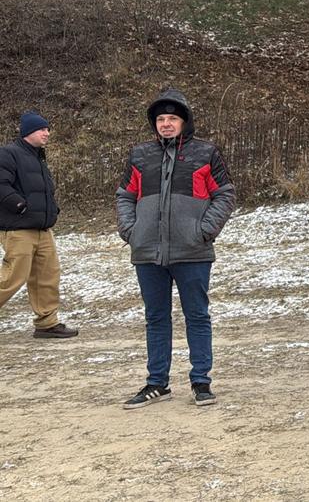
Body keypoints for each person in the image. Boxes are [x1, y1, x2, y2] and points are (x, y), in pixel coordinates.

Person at [116, 89, 236, 409]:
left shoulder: (206, 153)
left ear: (184, 121)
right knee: (155, 318)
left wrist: (204, 231)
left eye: (172, 118)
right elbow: (125, 195)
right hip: (148, 252)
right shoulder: (139, 155)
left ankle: (201, 381)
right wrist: (131, 231)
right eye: (160, 119)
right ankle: (157, 383)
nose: (166, 124)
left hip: (192, 251)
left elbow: (225, 194)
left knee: (197, 315)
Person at [0, 111, 77, 339]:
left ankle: (47, 323)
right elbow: (1, 185)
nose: (47, 133)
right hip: (18, 228)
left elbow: (42, 191)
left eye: (47, 129)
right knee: (12, 278)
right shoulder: (8, 154)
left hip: (43, 228)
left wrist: (53, 209)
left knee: (47, 277)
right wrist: (19, 205)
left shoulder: (38, 157)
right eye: (42, 129)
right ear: (28, 132)